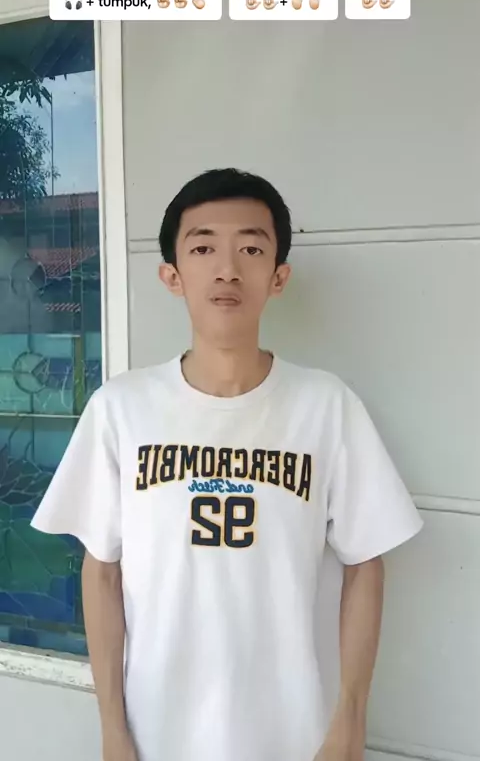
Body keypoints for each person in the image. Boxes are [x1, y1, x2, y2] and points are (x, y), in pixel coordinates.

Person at [31, 168, 423, 761]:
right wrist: (112, 726)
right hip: (155, 732)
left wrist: (349, 718)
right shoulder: (121, 408)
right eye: (203, 248)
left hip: (295, 733)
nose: (228, 269)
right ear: (172, 275)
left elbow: (366, 563)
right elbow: (102, 571)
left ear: (278, 276)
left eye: (251, 249)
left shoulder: (327, 406)